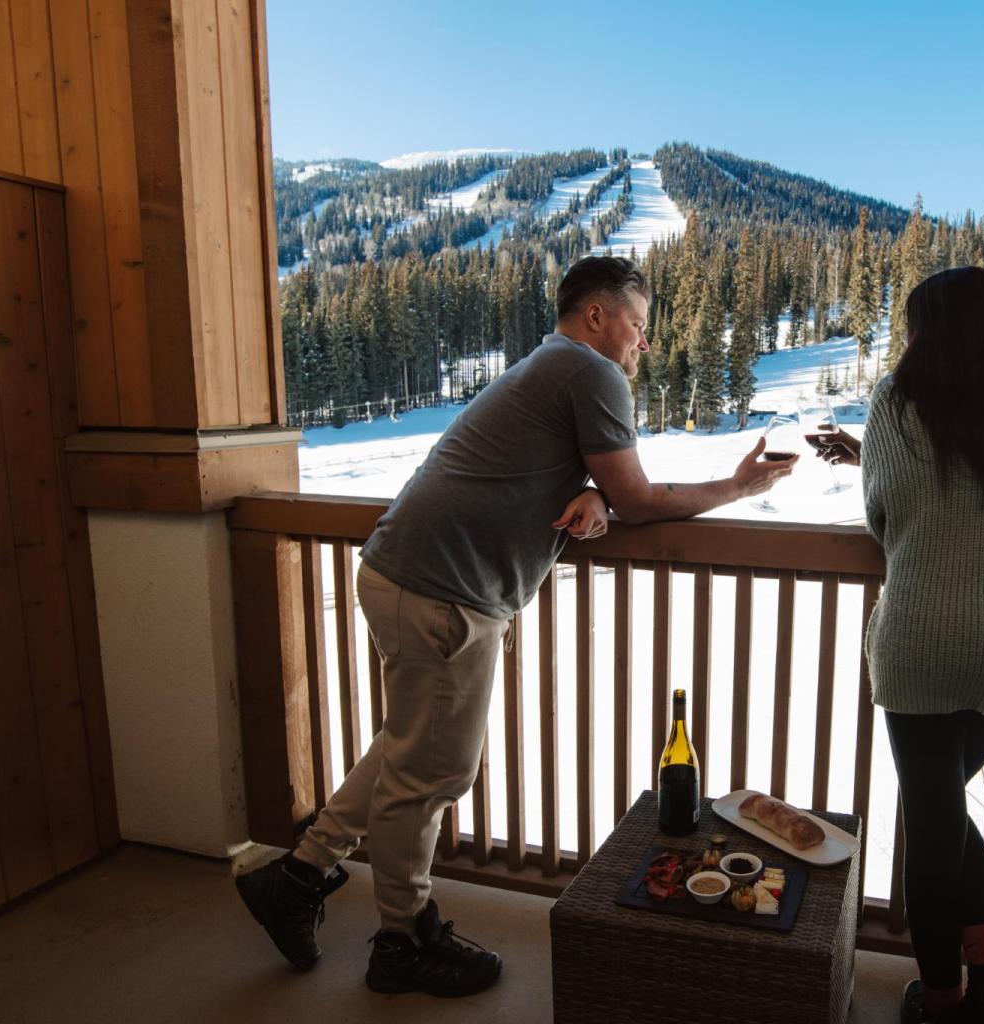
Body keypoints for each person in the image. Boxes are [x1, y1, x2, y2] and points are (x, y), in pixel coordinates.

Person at [236, 255, 796, 997]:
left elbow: (588, 480)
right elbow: (640, 497)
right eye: (638, 323)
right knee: (429, 776)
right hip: (444, 592)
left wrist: (596, 493)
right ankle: (401, 940)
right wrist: (737, 486)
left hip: (410, 575)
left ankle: (300, 876)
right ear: (596, 316)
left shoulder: (552, 365)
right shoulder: (591, 372)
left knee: (408, 751)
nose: (644, 341)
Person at [815, 266, 984, 1024]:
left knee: (930, 827)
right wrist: (870, 452)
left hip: (924, 645)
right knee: (943, 809)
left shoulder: (898, 401)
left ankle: (945, 1000)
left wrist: (875, 457)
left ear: (927, 333)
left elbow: (886, 515)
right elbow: (973, 483)